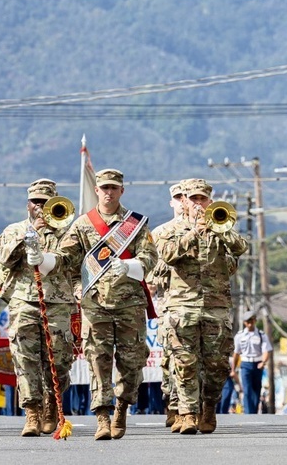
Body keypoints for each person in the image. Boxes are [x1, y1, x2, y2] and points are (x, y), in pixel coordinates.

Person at [57, 168, 158, 440]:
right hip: (95, 304)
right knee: (97, 360)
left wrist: (128, 265)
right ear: (97, 191)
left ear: (121, 191)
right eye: (104, 188)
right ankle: (102, 416)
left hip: (130, 305)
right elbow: (66, 262)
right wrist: (77, 287)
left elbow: (150, 258)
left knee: (132, 360)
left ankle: (122, 409)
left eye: (114, 188)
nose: (109, 192)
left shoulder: (135, 224)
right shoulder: (82, 225)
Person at [158, 178, 248, 434]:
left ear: (210, 201)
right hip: (182, 306)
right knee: (185, 362)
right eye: (193, 199)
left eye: (203, 199)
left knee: (217, 365)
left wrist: (219, 230)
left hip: (216, 307)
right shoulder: (169, 231)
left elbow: (241, 248)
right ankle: (187, 413)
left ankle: (209, 406)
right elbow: (166, 255)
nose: (198, 203)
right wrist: (193, 234)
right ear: (184, 201)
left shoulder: (221, 226)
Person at [0, 178, 79, 436]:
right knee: (25, 359)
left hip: (58, 303)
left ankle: (52, 404)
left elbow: (73, 261)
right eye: (35, 202)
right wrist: (28, 234)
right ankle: (32, 413)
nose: (39, 207)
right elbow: (4, 260)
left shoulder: (67, 231)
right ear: (27, 204)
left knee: (60, 359)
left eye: (44, 202)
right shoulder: (13, 230)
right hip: (23, 300)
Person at [148, 181, 186, 428]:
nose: (184, 201)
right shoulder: (160, 233)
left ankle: (193, 407)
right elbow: (150, 275)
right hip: (170, 306)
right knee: (172, 359)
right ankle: (174, 404)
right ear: (172, 202)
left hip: (202, 304)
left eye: (188, 197)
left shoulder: (212, 228)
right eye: (179, 197)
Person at [232, 311, 272, 414]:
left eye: (252, 320)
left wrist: (263, 362)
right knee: (247, 389)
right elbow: (236, 353)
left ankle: (253, 412)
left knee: (256, 389)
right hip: (245, 364)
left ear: (255, 321)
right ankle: (248, 413)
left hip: (258, 364)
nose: (250, 323)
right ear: (245, 322)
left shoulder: (261, 335)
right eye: (248, 321)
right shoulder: (239, 336)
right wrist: (233, 369)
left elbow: (266, 351)